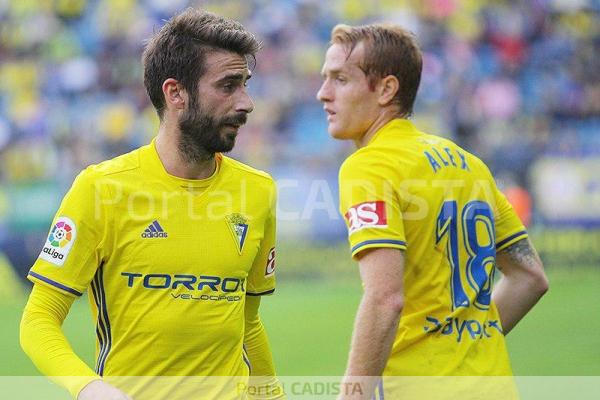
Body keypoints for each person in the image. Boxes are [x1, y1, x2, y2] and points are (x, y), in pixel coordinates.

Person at [20, 8, 282, 400]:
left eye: (245, 84)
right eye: (228, 86)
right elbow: (39, 319)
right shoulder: (102, 189)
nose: (246, 102)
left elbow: (248, 326)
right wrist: (90, 389)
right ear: (175, 93)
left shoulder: (258, 192)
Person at [316, 23, 549, 399]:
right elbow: (530, 277)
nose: (322, 94)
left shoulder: (370, 165)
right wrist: (466, 348)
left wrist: (352, 394)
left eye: (340, 79)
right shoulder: (467, 162)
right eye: (325, 79)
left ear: (387, 89)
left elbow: (385, 298)